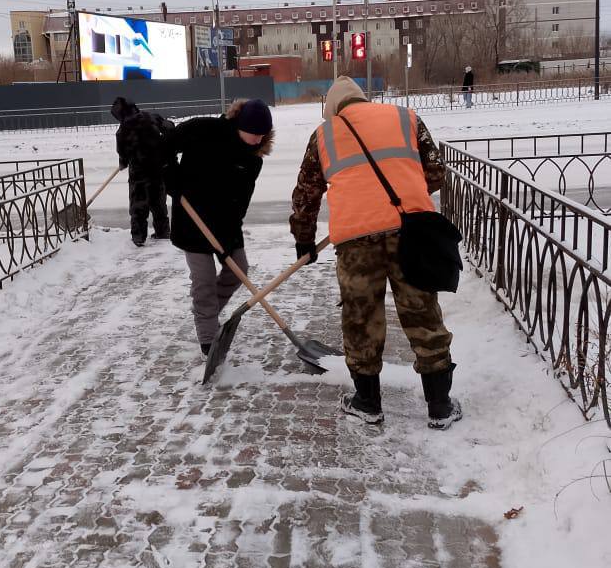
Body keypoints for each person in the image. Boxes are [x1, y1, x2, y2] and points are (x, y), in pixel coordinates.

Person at [290, 76, 461, 430]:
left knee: (361, 320)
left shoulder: (323, 135)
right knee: (422, 315)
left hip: (355, 242)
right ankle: (440, 406)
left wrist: (304, 240)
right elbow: (435, 173)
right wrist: (405, 188)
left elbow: (306, 194)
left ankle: (367, 403)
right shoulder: (405, 117)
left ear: (333, 110)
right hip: (410, 233)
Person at [165, 98, 274, 356]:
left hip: (225, 226)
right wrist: (170, 175)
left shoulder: (252, 160)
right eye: (254, 133)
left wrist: (230, 241)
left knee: (239, 270)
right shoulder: (204, 130)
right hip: (192, 222)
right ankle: (208, 340)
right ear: (239, 124)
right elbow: (164, 145)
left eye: (263, 135)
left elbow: (240, 204)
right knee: (203, 283)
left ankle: (208, 311)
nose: (258, 139)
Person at [110, 97, 174, 247]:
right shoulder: (151, 117)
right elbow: (170, 127)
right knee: (158, 202)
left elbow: (123, 152)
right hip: (158, 169)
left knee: (138, 205)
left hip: (138, 173)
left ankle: (138, 237)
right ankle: (163, 232)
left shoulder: (123, 130)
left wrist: (123, 162)